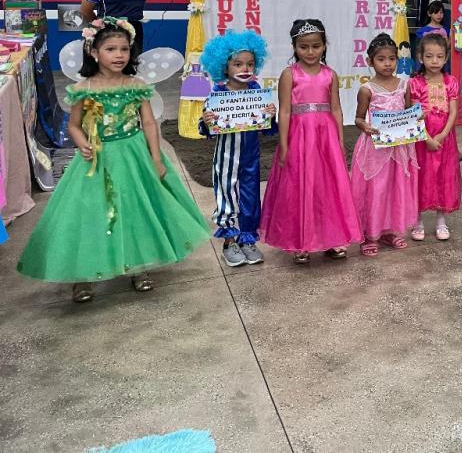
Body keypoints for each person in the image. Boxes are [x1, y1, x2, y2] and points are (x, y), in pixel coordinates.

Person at [16, 18, 209, 302]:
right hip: (98, 159)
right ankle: (84, 274)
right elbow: (74, 125)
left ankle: (139, 264)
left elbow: (150, 124)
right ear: (93, 52)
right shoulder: (83, 88)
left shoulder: (136, 85)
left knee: (136, 209)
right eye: (110, 49)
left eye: (124, 49)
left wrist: (156, 159)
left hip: (133, 156)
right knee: (92, 213)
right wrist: (82, 144)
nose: (119, 55)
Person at [259, 19, 362, 263]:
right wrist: (283, 145)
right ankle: (300, 241)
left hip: (325, 136)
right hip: (299, 136)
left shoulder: (330, 75)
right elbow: (284, 111)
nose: (310, 52)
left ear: (324, 46)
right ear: (294, 47)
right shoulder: (289, 75)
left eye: (316, 46)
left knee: (328, 187)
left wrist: (339, 140)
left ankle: (332, 238)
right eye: (303, 47)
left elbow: (336, 109)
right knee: (300, 186)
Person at [198, 30, 276, 267]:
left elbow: (266, 129)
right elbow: (206, 129)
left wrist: (269, 116)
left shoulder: (256, 92)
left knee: (250, 198)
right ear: (224, 66)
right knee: (227, 197)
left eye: (250, 64)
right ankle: (229, 242)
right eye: (238, 63)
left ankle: (247, 239)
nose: (245, 68)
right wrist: (208, 120)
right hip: (226, 159)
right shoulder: (217, 94)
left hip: (251, 157)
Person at [352, 34, 420, 256]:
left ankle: (389, 230)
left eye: (392, 58)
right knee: (376, 191)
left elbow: (408, 112)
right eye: (381, 59)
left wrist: (418, 116)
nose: (388, 63)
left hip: (398, 147)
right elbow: (359, 118)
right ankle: (369, 235)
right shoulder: (367, 89)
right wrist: (366, 127)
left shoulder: (404, 84)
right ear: (370, 61)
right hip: (375, 149)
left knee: (395, 188)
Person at [408, 34, 461, 241]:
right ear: (420, 57)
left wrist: (443, 134)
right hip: (422, 138)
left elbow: (454, 111)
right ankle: (417, 221)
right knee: (421, 177)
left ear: (446, 57)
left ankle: (441, 221)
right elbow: (413, 113)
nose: (434, 61)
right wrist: (427, 137)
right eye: (429, 56)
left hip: (445, 138)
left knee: (443, 176)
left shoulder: (451, 81)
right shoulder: (415, 83)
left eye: (439, 56)